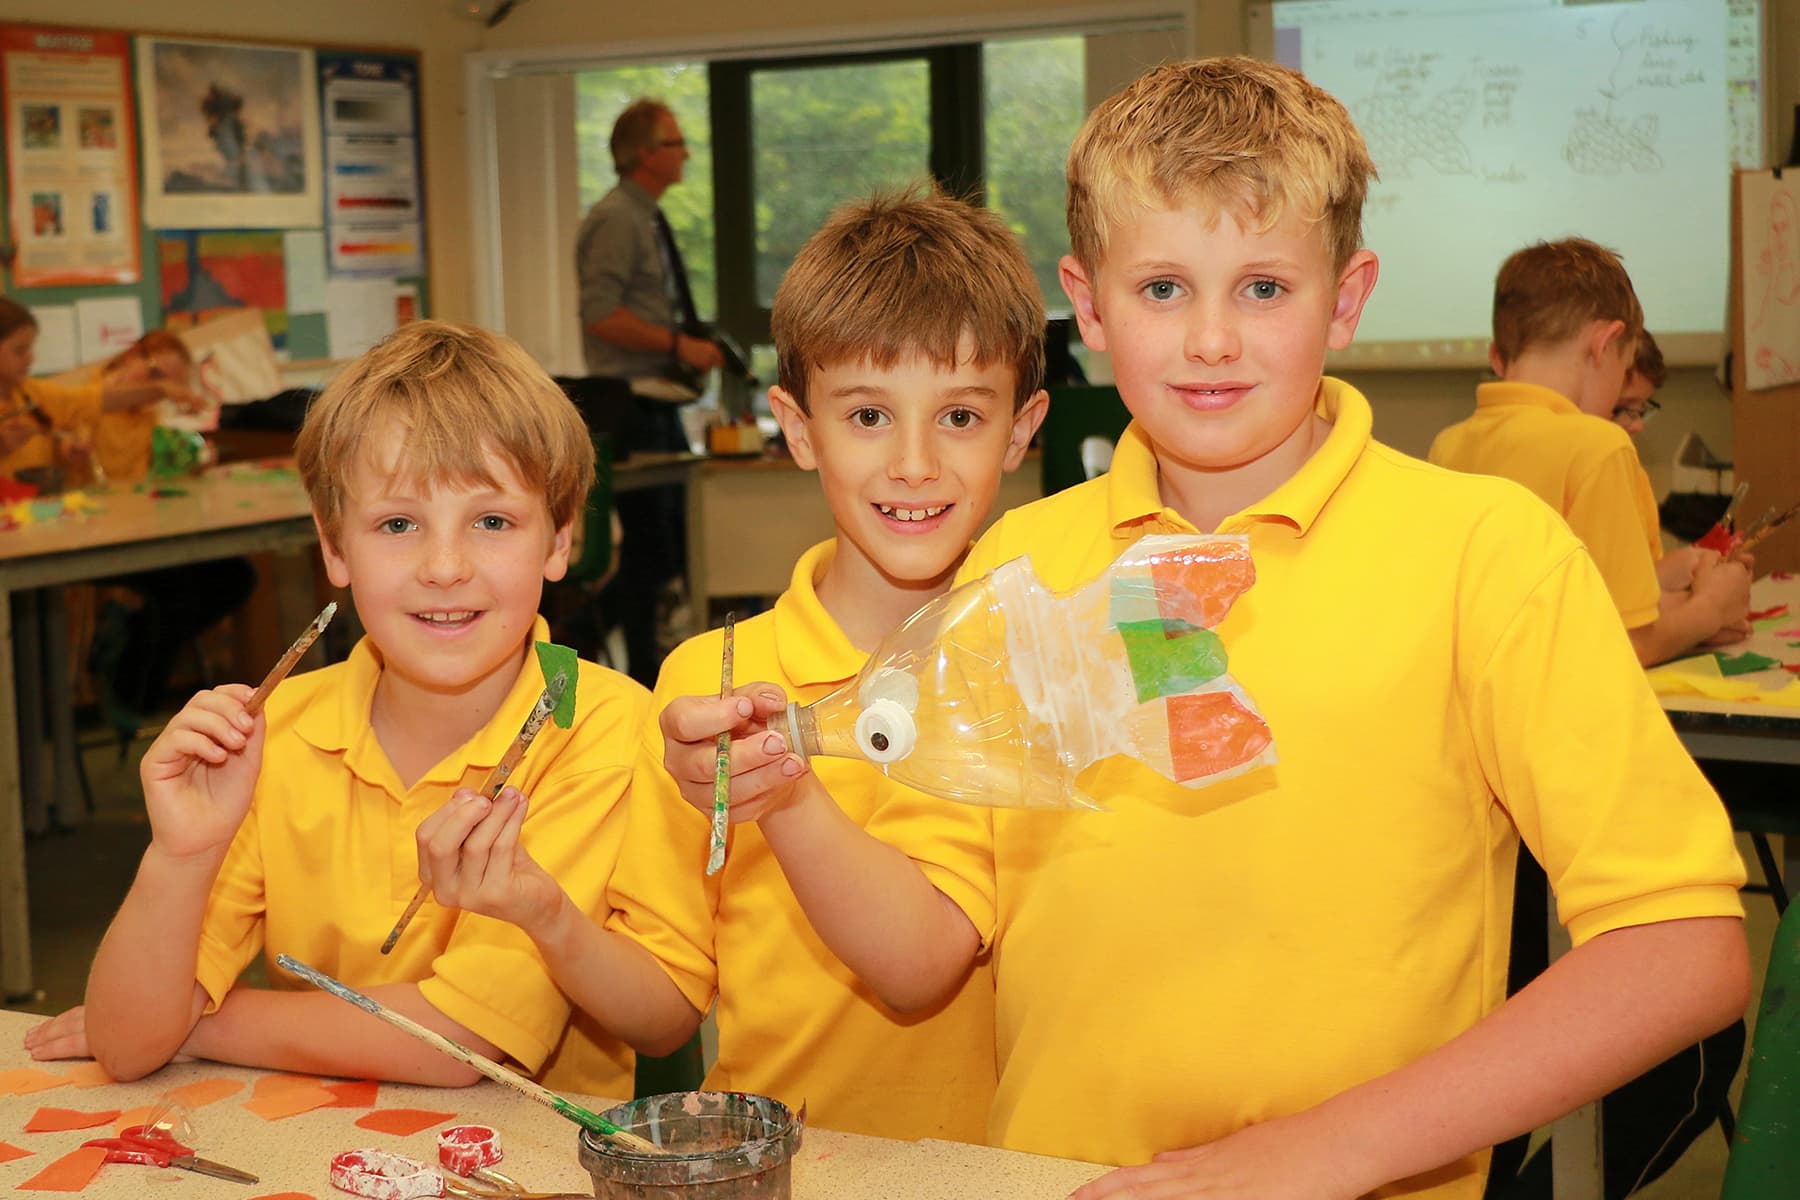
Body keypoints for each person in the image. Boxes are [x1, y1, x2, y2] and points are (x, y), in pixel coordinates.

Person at [657, 58, 1748, 1200]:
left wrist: (1315, 1154)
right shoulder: (1016, 572)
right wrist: (784, 789)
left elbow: (1681, 946)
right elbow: (923, 954)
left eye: (1266, 288)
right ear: (1088, 302)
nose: (1213, 340)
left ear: (1350, 294)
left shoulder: (1486, 554)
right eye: (1164, 289)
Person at [414, 188, 1048, 1141]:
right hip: (775, 1163)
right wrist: (543, 910)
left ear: (1022, 428)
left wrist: (782, 797)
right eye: (868, 415)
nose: (915, 463)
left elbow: (919, 970)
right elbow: (667, 1008)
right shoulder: (708, 679)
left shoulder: (1037, 663)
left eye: (960, 416)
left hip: (1004, 1171)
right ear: (797, 429)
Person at [23, 321, 648, 1101]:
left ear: (559, 541)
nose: (445, 568)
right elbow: (123, 1041)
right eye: (397, 524)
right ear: (335, 549)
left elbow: (460, 1043)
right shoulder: (274, 732)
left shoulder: (603, 730)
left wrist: (204, 1023)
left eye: (491, 522)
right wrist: (179, 856)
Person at [1429, 240, 1751, 666]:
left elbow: (1554, 597)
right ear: (1606, 343)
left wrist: (1665, 577)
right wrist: (1711, 608)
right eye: (1624, 366)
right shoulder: (1599, 446)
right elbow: (1627, 646)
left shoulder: (1449, 445)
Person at [576, 97, 723, 687]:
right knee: (644, 560)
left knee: (661, 556)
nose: (686, 152)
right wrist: (677, 346)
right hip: (630, 405)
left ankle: (633, 668)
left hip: (658, 402)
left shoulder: (647, 216)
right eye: (675, 141)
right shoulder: (617, 218)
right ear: (644, 153)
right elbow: (600, 315)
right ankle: (621, 674)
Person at [85, 331, 258, 737]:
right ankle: (132, 692)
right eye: (155, 374)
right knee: (176, 592)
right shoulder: (92, 399)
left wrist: (189, 462)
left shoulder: (144, 415)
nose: (157, 389)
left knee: (235, 576)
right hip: (99, 539)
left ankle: (128, 642)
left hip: (140, 533)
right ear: (131, 357)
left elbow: (145, 479)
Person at [0, 298, 197, 483]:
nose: (30, 359)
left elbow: (94, 400)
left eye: (30, 349)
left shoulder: (33, 393)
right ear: (132, 355)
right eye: (19, 350)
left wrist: (161, 389)